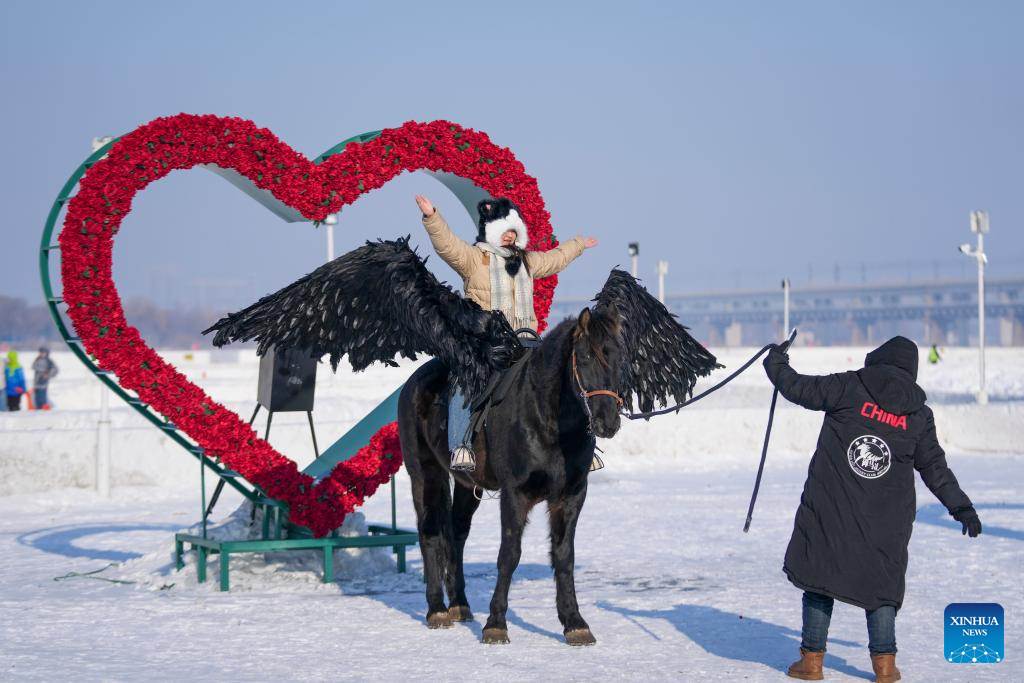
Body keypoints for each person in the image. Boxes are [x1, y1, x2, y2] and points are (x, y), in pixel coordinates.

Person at [763, 336, 981, 683]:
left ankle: (812, 663)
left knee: (820, 577)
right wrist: (961, 507)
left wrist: (776, 362)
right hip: (886, 519)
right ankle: (885, 667)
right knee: (881, 585)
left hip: (832, 507)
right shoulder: (918, 415)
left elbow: (797, 388)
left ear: (877, 359)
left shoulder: (849, 386)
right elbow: (935, 469)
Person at [416, 194, 598, 471]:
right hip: (486, 343)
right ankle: (461, 445)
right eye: (503, 231)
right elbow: (448, 246)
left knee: (567, 377)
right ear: (491, 232)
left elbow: (554, 259)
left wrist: (578, 245)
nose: (508, 237)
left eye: (513, 232)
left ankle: (584, 444)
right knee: (465, 379)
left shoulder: (527, 262)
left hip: (526, 341)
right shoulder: (474, 259)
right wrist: (432, 217)